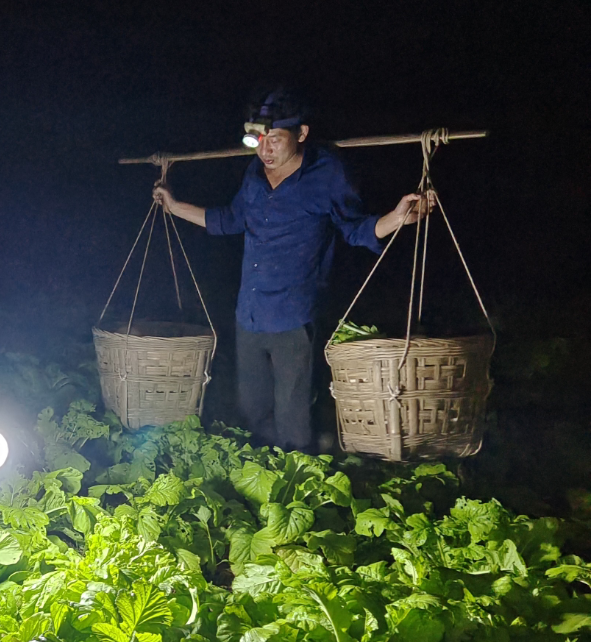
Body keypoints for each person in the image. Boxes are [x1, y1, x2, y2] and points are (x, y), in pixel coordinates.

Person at [154, 88, 433, 451]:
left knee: (292, 411)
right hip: (249, 314)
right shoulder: (254, 175)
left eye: (275, 140)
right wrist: (173, 206)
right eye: (259, 140)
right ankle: (265, 467)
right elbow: (229, 219)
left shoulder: (326, 175)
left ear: (301, 134)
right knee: (251, 406)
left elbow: (355, 228)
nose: (264, 150)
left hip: (294, 315)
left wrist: (397, 218)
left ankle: (300, 470)